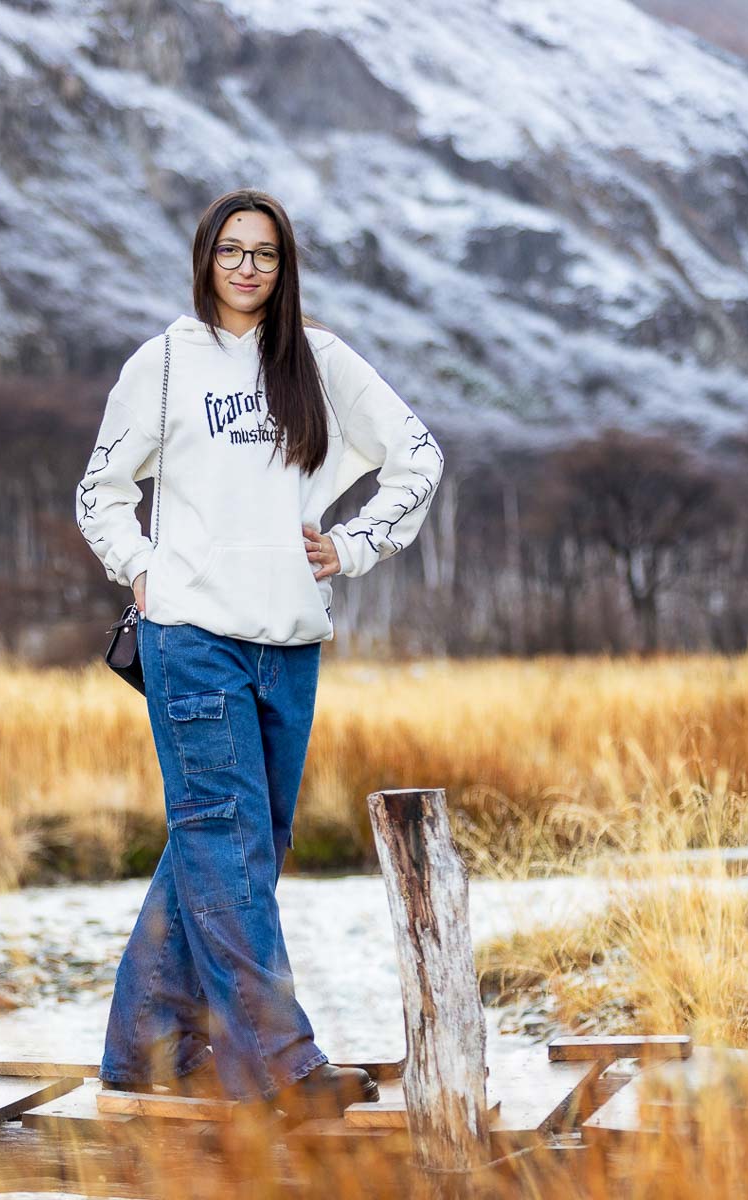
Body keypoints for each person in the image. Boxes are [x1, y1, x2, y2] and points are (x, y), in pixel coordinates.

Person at [74, 187, 445, 1120]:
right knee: (224, 840)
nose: (246, 267)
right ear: (206, 259)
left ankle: (147, 1047)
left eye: (265, 254)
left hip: (289, 642)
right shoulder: (162, 363)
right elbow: (99, 492)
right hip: (190, 637)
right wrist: (141, 568)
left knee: (242, 842)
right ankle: (280, 1065)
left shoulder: (320, 361)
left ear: (285, 269)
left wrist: (353, 547)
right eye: (231, 251)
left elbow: (419, 455)